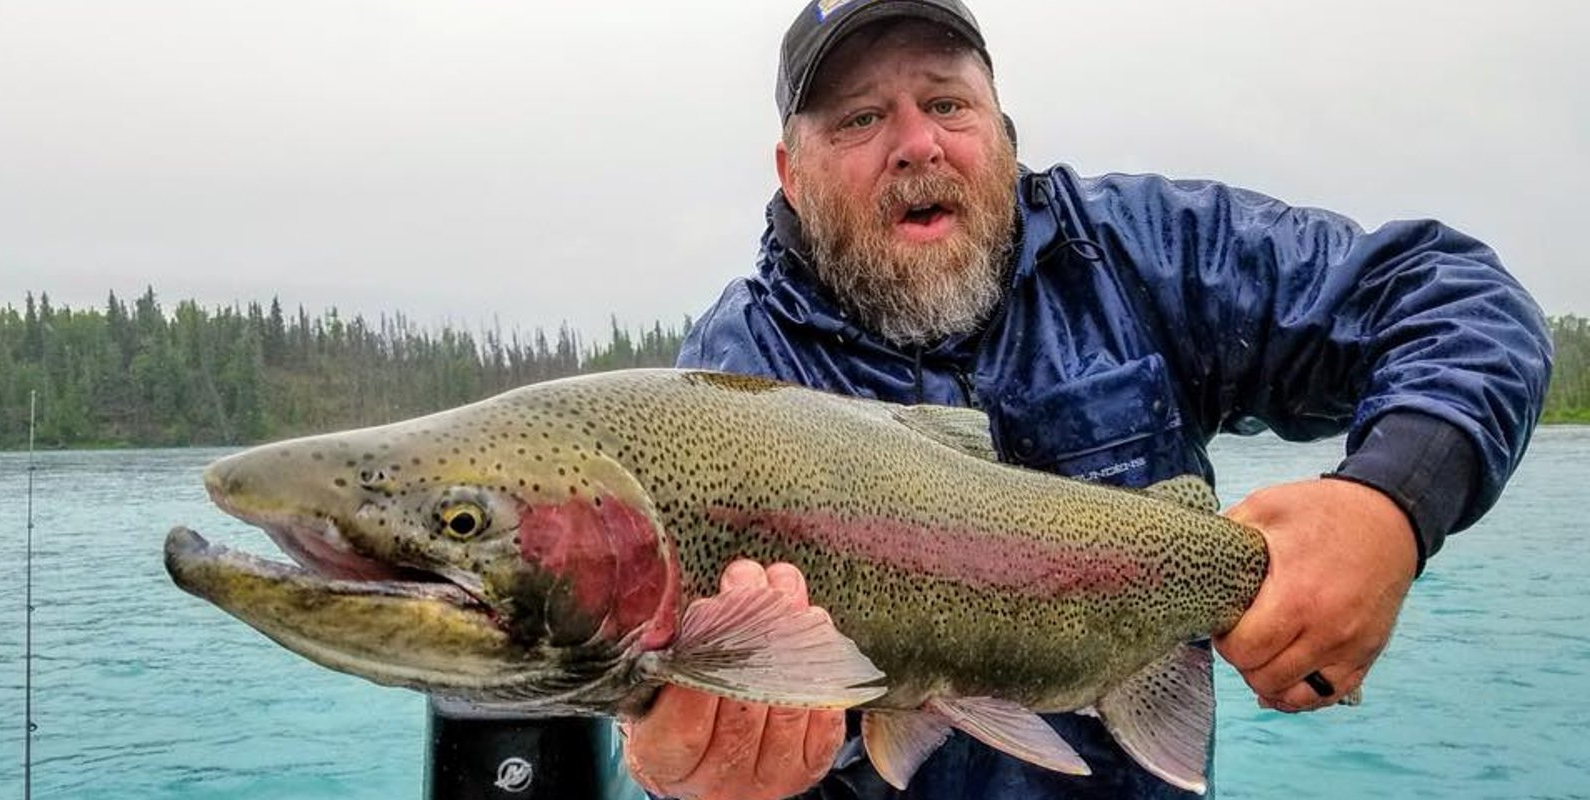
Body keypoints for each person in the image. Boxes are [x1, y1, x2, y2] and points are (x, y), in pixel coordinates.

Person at [623, 1, 1553, 798]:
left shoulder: (1140, 253)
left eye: (947, 103)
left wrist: (1392, 501)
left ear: (1004, 135)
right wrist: (701, 776)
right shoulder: (732, 381)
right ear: (790, 170)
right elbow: (692, 696)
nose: (916, 145)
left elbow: (1454, 298)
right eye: (860, 120)